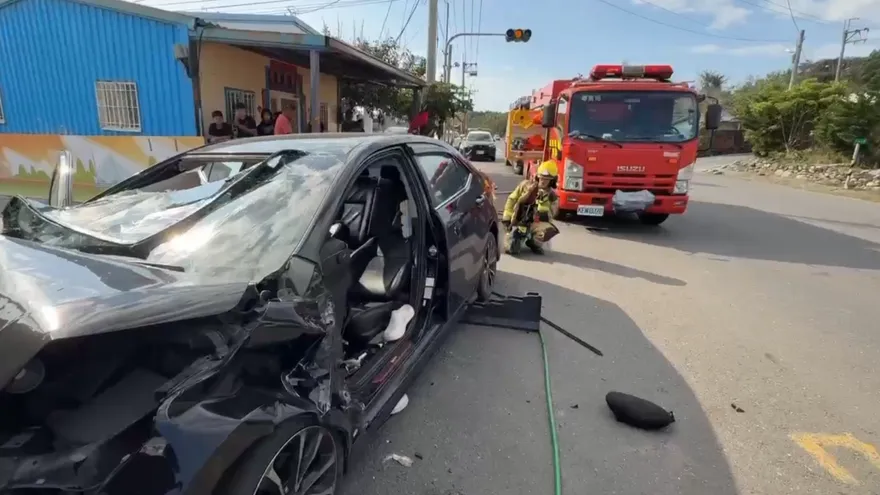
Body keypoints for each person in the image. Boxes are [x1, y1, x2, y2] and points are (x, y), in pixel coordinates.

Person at [501, 160, 560, 255]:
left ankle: (533, 243)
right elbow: (511, 199)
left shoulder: (552, 196)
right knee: (511, 249)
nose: (543, 181)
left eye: (547, 179)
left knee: (543, 234)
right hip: (518, 219)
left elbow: (552, 214)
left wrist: (541, 203)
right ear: (537, 176)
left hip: (536, 222)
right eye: (541, 177)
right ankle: (513, 237)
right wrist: (506, 217)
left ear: (552, 181)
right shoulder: (525, 186)